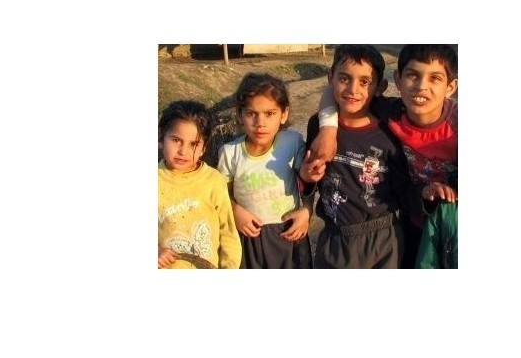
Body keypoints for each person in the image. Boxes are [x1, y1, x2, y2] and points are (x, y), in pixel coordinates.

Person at [308, 44, 458, 269]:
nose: (421, 86)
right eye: (413, 75)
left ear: (451, 87)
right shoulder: (391, 112)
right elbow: (334, 90)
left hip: (452, 225)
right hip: (411, 223)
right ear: (397, 80)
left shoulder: (458, 124)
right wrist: (328, 129)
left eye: (434, 78)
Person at [300, 45, 411, 269]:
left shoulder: (389, 129)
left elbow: (403, 186)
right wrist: (307, 177)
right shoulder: (318, 125)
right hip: (334, 238)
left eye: (364, 82)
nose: (353, 89)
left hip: (383, 238)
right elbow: (308, 176)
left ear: (380, 87)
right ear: (330, 79)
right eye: (344, 78)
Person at [217, 73, 313, 269]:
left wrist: (307, 211)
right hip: (249, 234)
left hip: (289, 232)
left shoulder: (292, 142)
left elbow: (308, 183)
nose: (260, 123)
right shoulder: (230, 153)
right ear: (240, 115)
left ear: (283, 114)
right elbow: (221, 194)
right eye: (252, 114)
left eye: (269, 114)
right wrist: (235, 211)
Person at [158, 100, 241, 269]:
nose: (183, 151)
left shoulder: (213, 181)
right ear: (161, 138)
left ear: (203, 148)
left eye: (194, 144)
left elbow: (228, 234)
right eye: (176, 140)